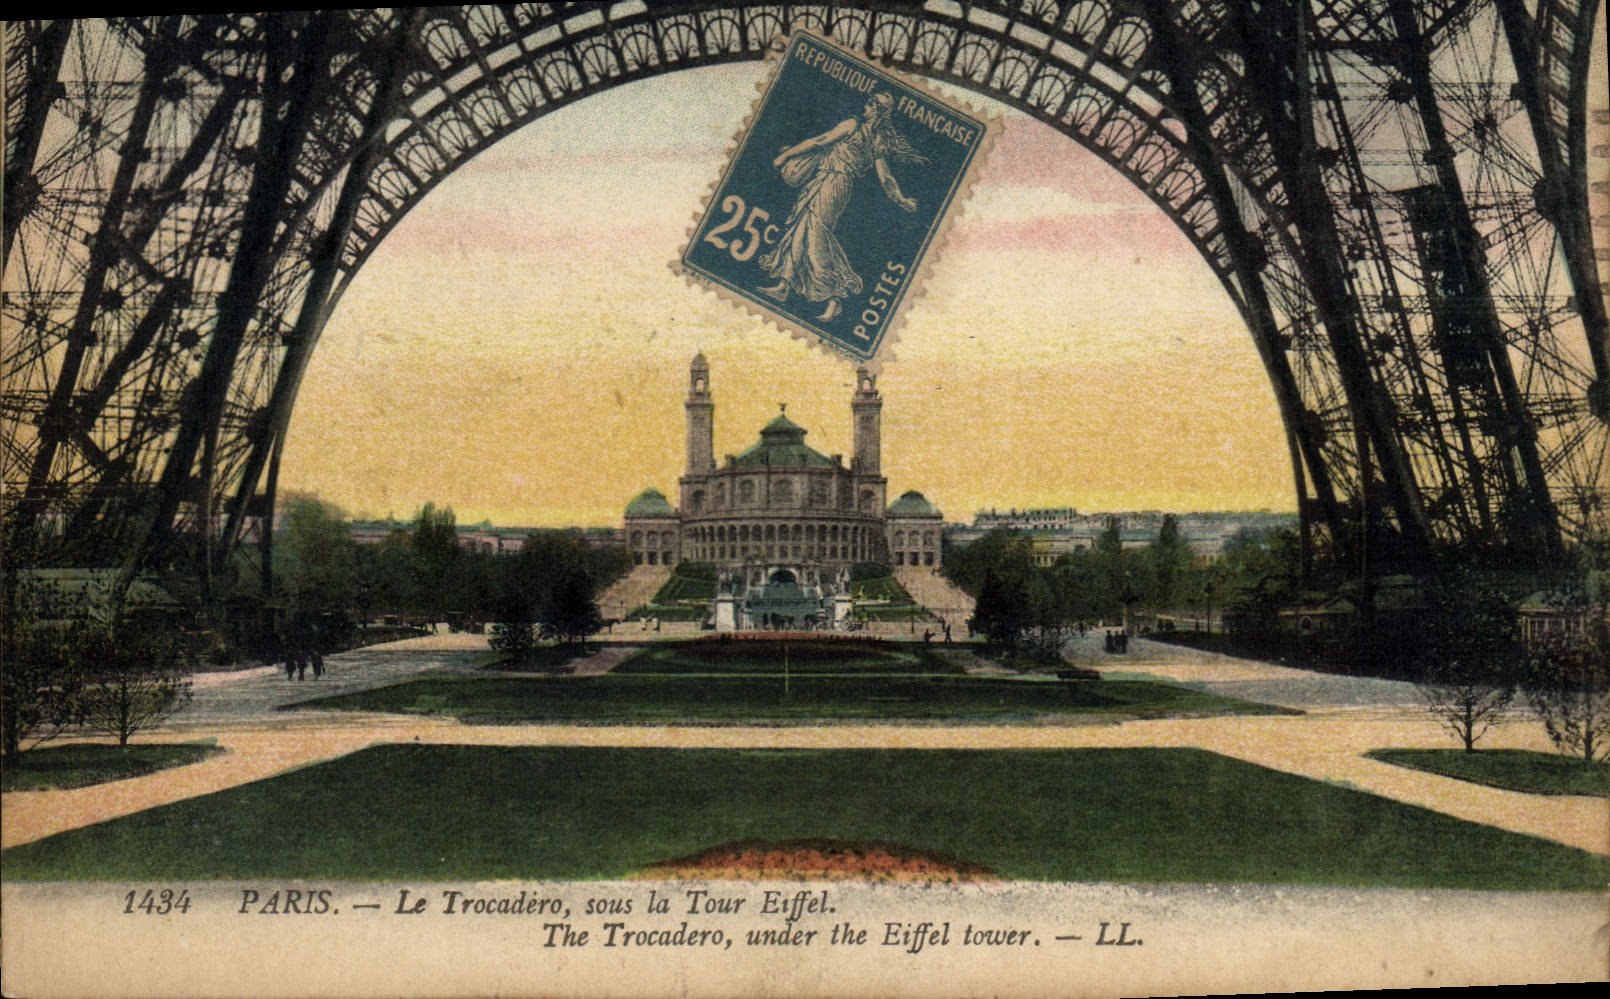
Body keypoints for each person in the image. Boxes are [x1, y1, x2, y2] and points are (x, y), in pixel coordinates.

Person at [758, 91, 926, 321]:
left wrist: (785, 155)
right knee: (802, 229)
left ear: (877, 109)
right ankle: (784, 285)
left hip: (832, 184)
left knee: (816, 238)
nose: (865, 105)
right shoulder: (877, 140)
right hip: (831, 183)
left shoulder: (853, 125)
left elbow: (819, 141)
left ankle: (835, 297)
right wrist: (902, 200)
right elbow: (885, 177)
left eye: (870, 103)